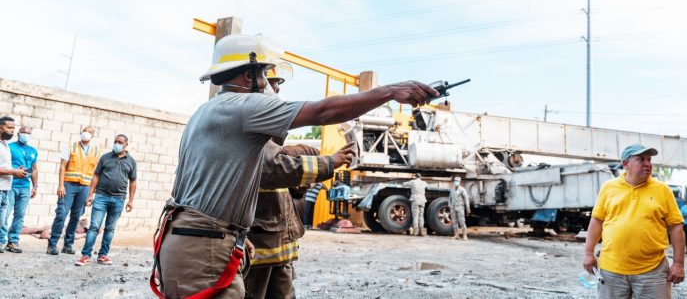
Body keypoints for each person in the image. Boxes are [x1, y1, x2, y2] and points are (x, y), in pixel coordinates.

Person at [151, 33, 438, 298]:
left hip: (199, 240)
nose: (267, 85)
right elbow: (322, 111)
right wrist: (389, 92)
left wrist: (235, 234)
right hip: (204, 247)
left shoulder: (208, 111)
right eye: (264, 75)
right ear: (248, 74)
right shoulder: (243, 107)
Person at [244, 141, 352, 299]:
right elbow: (278, 169)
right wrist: (329, 162)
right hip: (260, 255)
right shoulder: (256, 144)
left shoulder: (269, 145)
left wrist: (295, 188)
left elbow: (277, 188)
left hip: (280, 253)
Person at [583, 144, 685, 299]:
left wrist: (678, 264)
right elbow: (597, 221)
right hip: (612, 270)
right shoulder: (609, 188)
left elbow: (676, 227)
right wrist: (589, 253)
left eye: (649, 160)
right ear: (626, 164)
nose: (648, 164)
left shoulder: (662, 190)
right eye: (641, 159)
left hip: (652, 271)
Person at [76, 134, 136, 266]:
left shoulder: (131, 161)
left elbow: (133, 182)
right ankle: (85, 255)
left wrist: (131, 200)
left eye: (120, 142)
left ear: (126, 145)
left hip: (119, 199)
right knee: (94, 227)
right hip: (101, 197)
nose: (116, 144)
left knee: (110, 228)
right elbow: (96, 176)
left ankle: (103, 255)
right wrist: (91, 195)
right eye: (115, 141)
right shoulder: (105, 157)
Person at [48, 125, 102, 255]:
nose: (86, 133)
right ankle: (52, 244)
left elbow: (96, 174)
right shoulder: (71, 146)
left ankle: (68, 244)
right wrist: (60, 185)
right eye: (85, 131)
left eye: (89, 132)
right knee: (61, 214)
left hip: (85, 187)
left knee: (76, 217)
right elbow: (62, 167)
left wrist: (91, 194)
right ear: (81, 133)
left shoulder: (96, 150)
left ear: (93, 136)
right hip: (68, 185)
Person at [0, 125, 38, 253]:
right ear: (18, 133)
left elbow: (34, 169)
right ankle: (2, 240)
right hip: (10, 185)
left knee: (20, 215)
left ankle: (13, 241)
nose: (25, 135)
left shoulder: (33, 151)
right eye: (23, 132)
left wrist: (35, 186)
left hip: (25, 187)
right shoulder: (9, 147)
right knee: (4, 214)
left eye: (28, 133)